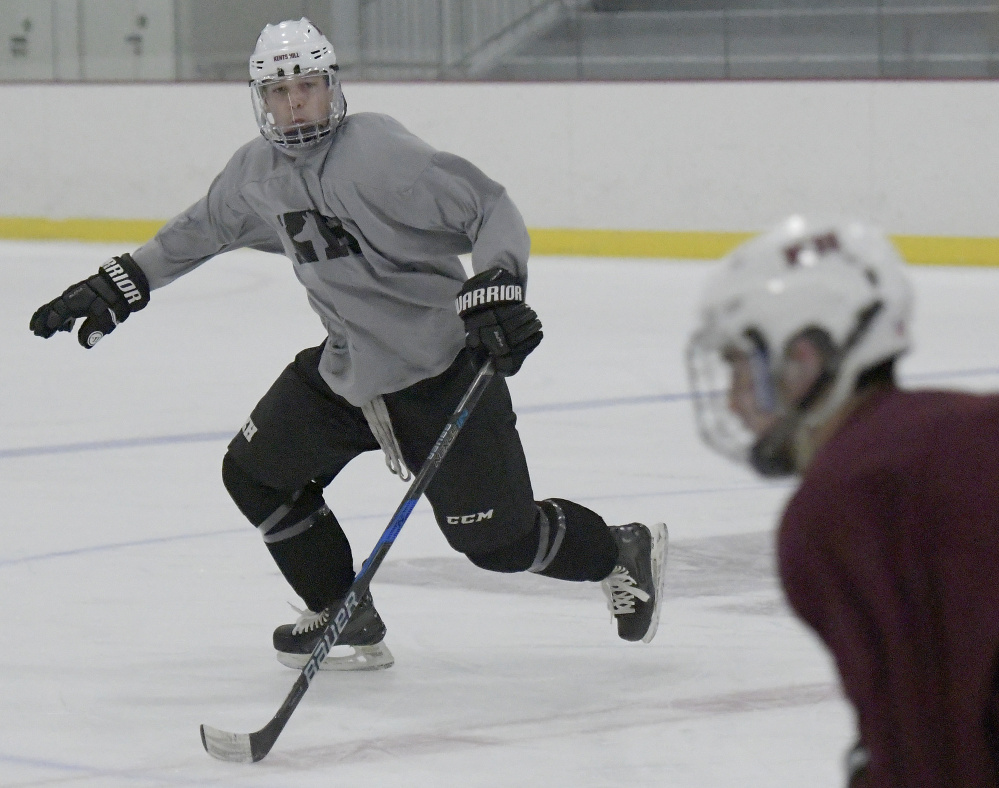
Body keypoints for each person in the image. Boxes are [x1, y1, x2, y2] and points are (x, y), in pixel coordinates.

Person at [29, 18, 668, 672]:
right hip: (348, 375)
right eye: (279, 91)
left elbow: (488, 206)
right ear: (260, 99)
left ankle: (616, 552)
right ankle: (342, 610)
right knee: (254, 472)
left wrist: (498, 285)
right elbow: (196, 232)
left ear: (331, 86)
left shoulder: (380, 153)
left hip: (440, 371)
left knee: (496, 543)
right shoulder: (256, 171)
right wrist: (121, 283)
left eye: (306, 85)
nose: (295, 101)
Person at [686, 214, 999, 787]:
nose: (732, 402)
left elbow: (935, 754)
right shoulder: (961, 422)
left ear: (804, 359)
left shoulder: (843, 503)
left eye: (740, 367)